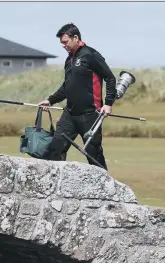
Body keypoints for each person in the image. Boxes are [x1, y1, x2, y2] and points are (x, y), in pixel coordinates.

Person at [38, 23, 117, 170]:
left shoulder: (90, 55)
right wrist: (51, 100)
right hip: (69, 113)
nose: (63, 46)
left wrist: (108, 103)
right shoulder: (69, 60)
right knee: (56, 149)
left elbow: (110, 78)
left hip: (90, 114)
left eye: (65, 42)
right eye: (61, 43)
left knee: (93, 154)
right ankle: (56, 189)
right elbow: (67, 86)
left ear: (76, 38)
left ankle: (104, 190)